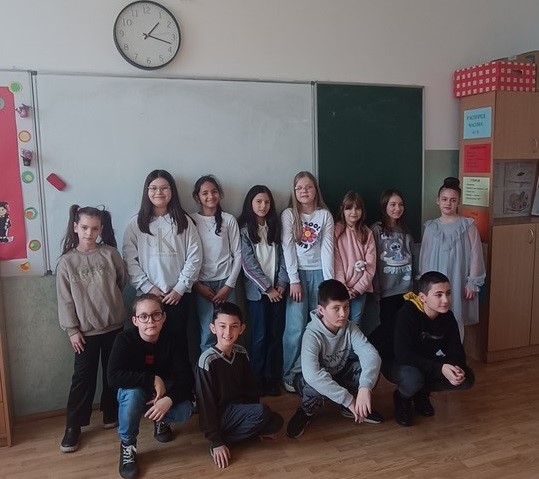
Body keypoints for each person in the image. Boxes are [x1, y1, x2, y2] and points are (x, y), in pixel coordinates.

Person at [57, 205, 125, 453]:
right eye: (85, 227)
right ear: (76, 227)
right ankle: (73, 426)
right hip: (84, 333)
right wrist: (72, 330)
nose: (89, 233)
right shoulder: (67, 262)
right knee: (82, 379)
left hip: (114, 327)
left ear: (101, 229)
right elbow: (65, 300)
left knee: (112, 373)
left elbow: (121, 282)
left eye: (95, 228)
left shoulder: (111, 254)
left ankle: (111, 412)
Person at [108, 293, 194, 479]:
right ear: (135, 320)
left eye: (156, 315)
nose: (150, 321)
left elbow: (187, 378)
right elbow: (113, 377)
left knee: (185, 409)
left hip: (164, 391)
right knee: (132, 395)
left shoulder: (174, 339)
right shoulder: (124, 339)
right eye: (143, 316)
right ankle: (128, 445)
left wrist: (169, 400)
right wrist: (152, 379)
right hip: (136, 390)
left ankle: (161, 419)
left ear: (163, 317)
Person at [286, 279, 382, 439]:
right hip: (305, 379)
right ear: (321, 310)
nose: (343, 314)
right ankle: (306, 412)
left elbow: (371, 355)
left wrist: (365, 388)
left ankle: (350, 408)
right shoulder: (312, 334)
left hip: (337, 372)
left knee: (370, 370)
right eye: (336, 308)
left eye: (346, 307)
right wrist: (349, 400)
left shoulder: (350, 327)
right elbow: (312, 375)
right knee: (313, 386)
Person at [123, 169, 201, 359]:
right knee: (149, 347)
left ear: (172, 191)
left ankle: (179, 379)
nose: (159, 192)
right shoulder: (136, 224)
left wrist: (180, 288)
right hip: (147, 298)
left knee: (179, 346)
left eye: (164, 188)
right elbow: (129, 260)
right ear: (147, 191)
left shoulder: (184, 221)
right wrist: (148, 288)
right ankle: (152, 379)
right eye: (154, 188)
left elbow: (195, 256)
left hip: (178, 296)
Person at [195, 302, 283, 469]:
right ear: (213, 328)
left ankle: (243, 432)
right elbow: (205, 404)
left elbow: (250, 388)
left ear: (241, 329)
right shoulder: (207, 360)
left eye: (234, 326)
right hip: (220, 414)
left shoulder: (241, 353)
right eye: (222, 326)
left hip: (238, 409)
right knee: (262, 413)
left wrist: (253, 413)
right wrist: (216, 441)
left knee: (275, 422)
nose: (228, 332)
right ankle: (222, 441)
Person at [382, 271, 475, 427]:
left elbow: (456, 351)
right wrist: (440, 368)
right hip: (396, 361)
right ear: (422, 297)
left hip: (423, 361)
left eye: (448, 293)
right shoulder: (406, 314)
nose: (445, 300)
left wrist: (456, 368)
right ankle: (402, 398)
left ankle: (420, 394)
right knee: (413, 378)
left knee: (466, 378)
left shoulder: (448, 317)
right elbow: (403, 355)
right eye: (438, 295)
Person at [281, 171, 334, 393]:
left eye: (308, 187)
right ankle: (290, 374)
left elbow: (327, 249)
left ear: (315, 190)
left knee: (318, 326)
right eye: (299, 188)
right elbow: (288, 248)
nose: (304, 191)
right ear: (294, 192)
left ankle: (313, 372)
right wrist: (294, 280)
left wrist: (329, 283)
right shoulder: (289, 214)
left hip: (320, 274)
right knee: (295, 328)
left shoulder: (324, 215)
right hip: (298, 275)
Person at [419, 177, 486, 340]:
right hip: (435, 281)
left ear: (458, 202)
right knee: (435, 315)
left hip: (458, 279)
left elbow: (476, 255)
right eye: (444, 199)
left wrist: (472, 281)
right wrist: (424, 283)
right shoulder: (431, 227)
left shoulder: (468, 225)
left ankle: (455, 351)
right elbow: (425, 257)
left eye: (453, 200)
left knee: (456, 314)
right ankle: (437, 353)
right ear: (438, 201)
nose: (448, 203)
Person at [238, 185, 288, 396]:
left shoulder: (275, 227)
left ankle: (271, 378)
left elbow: (285, 257)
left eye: (267, 202)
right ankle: (256, 379)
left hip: (278, 291)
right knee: (259, 336)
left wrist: (282, 284)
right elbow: (248, 264)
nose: (263, 206)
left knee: (275, 335)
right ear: (250, 203)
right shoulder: (244, 230)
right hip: (258, 294)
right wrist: (267, 288)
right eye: (258, 201)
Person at [192, 175, 242, 353]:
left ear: (220, 194)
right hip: (202, 285)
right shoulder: (191, 220)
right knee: (208, 333)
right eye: (205, 193)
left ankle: (230, 368)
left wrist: (228, 286)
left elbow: (238, 254)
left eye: (214, 192)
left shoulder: (229, 220)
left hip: (226, 283)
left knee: (229, 332)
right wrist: (197, 285)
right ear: (197, 197)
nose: (210, 196)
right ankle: (208, 369)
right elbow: (186, 256)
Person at [369, 189, 415, 358]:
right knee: (388, 326)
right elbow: (373, 261)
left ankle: (397, 360)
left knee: (402, 327)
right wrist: (376, 290)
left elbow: (413, 258)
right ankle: (373, 353)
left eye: (400, 204)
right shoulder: (376, 230)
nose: (397, 208)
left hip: (406, 289)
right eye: (393, 204)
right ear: (384, 206)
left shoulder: (405, 231)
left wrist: (415, 285)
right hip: (386, 291)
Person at [334, 191, 376, 335]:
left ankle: (352, 350)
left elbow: (371, 265)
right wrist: (343, 287)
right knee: (338, 323)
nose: (353, 212)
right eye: (349, 208)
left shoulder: (367, 233)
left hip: (360, 290)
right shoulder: (335, 231)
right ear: (342, 209)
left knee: (355, 324)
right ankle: (340, 350)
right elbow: (335, 262)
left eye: (357, 208)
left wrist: (358, 289)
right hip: (340, 288)